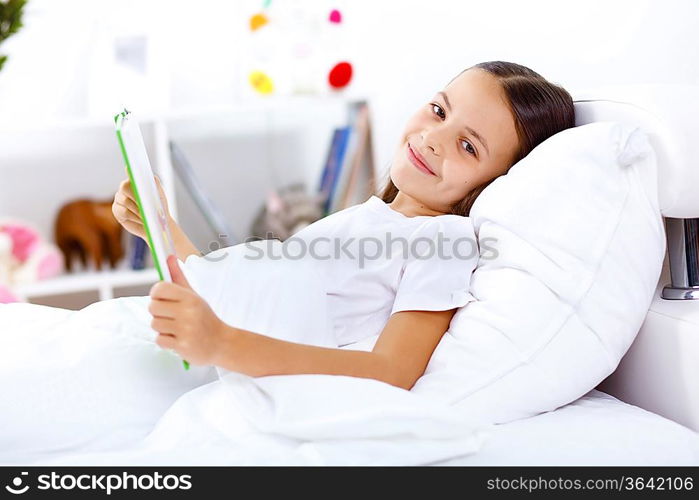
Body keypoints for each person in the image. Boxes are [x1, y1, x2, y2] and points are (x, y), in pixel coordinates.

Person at [113, 61, 575, 391]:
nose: (433, 139)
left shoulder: (441, 240)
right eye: (439, 111)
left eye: (468, 146)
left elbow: (393, 370)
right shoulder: (372, 215)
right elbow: (246, 296)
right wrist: (162, 228)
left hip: (229, 361)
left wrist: (222, 344)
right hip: (206, 352)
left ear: (495, 183)